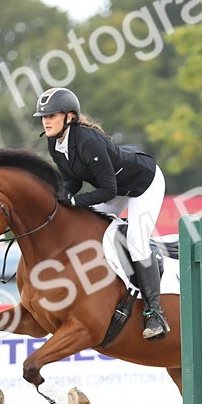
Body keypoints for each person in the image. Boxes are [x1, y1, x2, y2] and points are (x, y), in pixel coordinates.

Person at [33, 86, 170, 340]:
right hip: (117, 186)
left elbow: (108, 190)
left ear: (69, 117)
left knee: (137, 243)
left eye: (52, 115)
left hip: (143, 184)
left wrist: (74, 200)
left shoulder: (88, 141)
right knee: (87, 223)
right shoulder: (55, 143)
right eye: (44, 116)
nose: (46, 121)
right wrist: (56, 200)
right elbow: (72, 181)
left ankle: (155, 313)